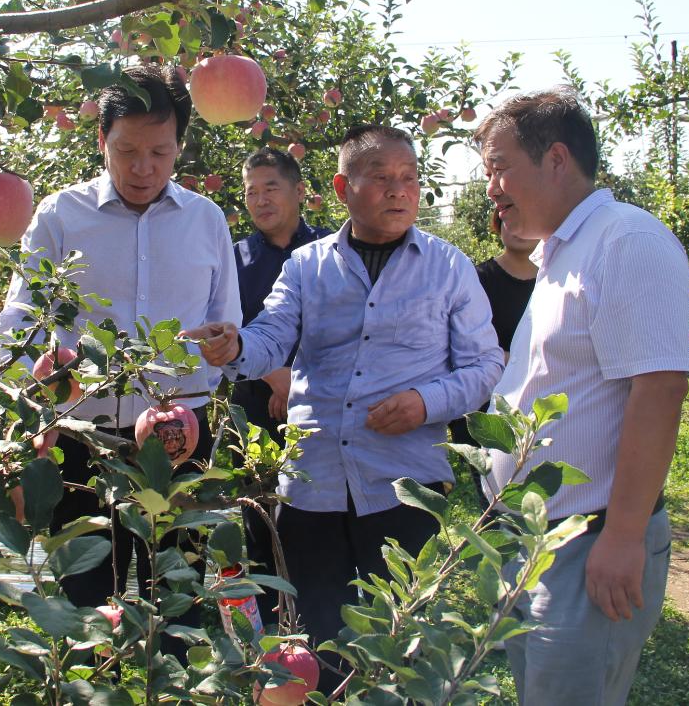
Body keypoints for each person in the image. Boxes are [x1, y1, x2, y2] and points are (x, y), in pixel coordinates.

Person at [186, 124, 503, 692]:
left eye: (408, 179)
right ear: (342, 188)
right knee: (316, 636)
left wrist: (425, 402)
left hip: (403, 483)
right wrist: (233, 347)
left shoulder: (448, 267)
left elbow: (484, 366)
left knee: (398, 637)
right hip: (314, 484)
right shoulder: (307, 267)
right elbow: (271, 337)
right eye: (381, 178)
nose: (399, 191)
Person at [0, 63, 241, 648]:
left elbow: (227, 330)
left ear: (180, 145)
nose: (142, 167)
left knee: (175, 594)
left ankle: (175, 683)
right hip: (85, 436)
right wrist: (42, 367)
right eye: (126, 150)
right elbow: (19, 320)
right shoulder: (60, 215)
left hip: (179, 438)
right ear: (101, 141)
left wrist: (225, 345)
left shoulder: (206, 220)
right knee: (84, 601)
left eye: (160, 151)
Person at [473, 87, 689, 706]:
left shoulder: (626, 241)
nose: (491, 188)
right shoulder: (562, 255)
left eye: (499, 168)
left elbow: (659, 388)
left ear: (557, 160)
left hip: (589, 539)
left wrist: (622, 537)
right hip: (540, 540)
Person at [231, 146, 329, 627]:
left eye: (270, 187)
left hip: (323, 414)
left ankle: (320, 621)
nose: (260, 199)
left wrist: (298, 380)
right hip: (256, 414)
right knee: (262, 518)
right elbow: (227, 328)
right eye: (251, 191)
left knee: (317, 520)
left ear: (300, 191)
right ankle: (274, 630)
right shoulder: (236, 260)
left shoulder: (332, 251)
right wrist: (272, 374)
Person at [447, 209, 538, 491]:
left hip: (541, 405)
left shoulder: (556, 281)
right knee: (497, 499)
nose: (520, 229)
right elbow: (461, 346)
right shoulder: (477, 281)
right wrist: (520, 360)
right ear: (497, 226)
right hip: (489, 409)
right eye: (509, 218)